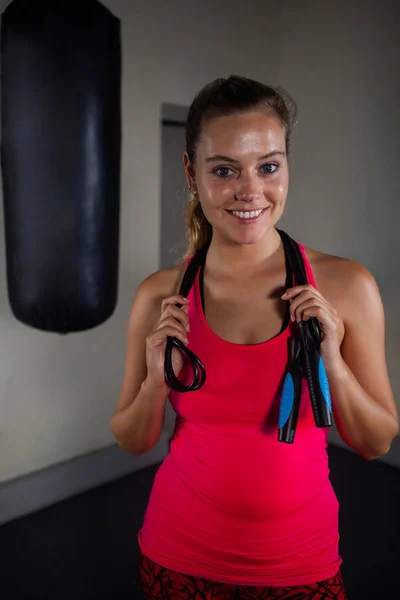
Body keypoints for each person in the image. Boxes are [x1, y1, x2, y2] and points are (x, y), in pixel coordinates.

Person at [110, 75, 398, 599]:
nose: (250, 191)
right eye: (224, 170)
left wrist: (332, 360)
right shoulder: (161, 295)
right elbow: (133, 440)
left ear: (287, 166)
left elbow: (376, 442)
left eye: (268, 166)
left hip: (300, 564)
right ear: (191, 174)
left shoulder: (347, 287)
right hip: (176, 554)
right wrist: (155, 382)